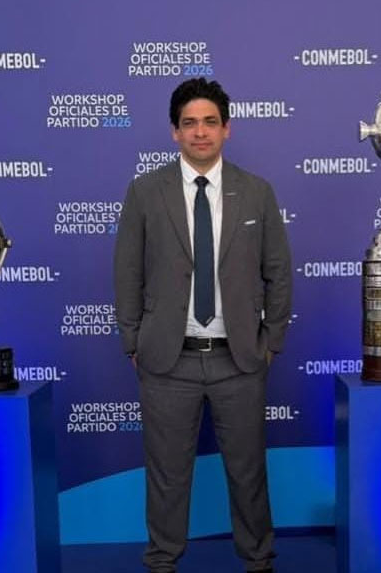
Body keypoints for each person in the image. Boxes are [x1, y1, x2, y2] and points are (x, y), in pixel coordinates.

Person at [114, 78, 292, 573]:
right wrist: (133, 341)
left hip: (240, 359)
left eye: (210, 122)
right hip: (168, 361)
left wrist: (270, 343)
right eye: (189, 123)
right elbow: (127, 272)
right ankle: (162, 561)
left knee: (248, 472)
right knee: (167, 475)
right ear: (174, 131)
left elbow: (278, 273)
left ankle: (258, 561)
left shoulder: (256, 192)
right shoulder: (145, 192)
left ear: (226, 129)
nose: (200, 132)